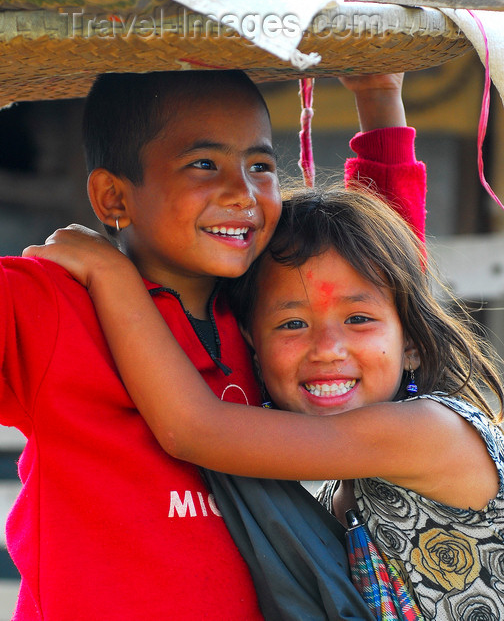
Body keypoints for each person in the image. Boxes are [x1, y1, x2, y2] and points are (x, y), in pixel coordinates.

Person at [4, 67, 425, 619]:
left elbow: (382, 271)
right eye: (204, 163)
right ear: (113, 198)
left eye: (260, 165)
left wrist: (378, 96)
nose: (241, 192)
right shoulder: (54, 302)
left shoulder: (268, 312)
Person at [28, 183, 504, 620]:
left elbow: (194, 431)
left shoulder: (428, 433)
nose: (327, 348)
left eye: (358, 319)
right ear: (252, 343)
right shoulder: (347, 477)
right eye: (292, 324)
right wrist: (379, 100)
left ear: (412, 344)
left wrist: (111, 273)